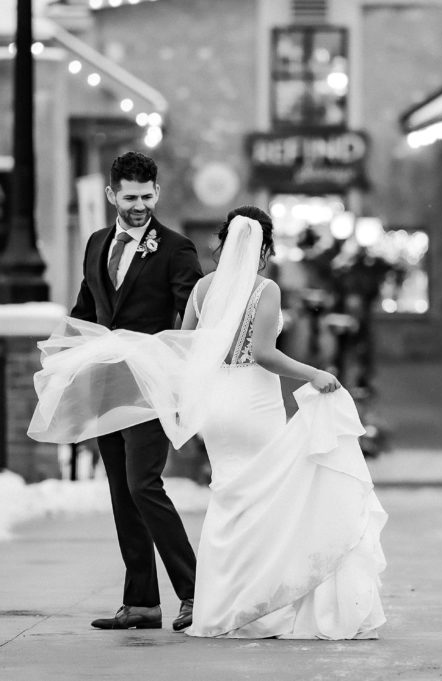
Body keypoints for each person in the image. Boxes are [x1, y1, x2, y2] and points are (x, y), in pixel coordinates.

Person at [29, 206, 386, 640]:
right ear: (264, 249)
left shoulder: (201, 289)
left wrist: (181, 403)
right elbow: (264, 353)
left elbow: (187, 349)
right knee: (268, 503)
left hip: (216, 408)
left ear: (223, 242)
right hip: (254, 405)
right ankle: (266, 604)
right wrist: (314, 373)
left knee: (228, 499)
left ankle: (220, 606)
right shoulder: (265, 290)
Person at [68, 151, 203, 632]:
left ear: (157, 194)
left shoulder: (176, 248)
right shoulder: (96, 243)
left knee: (145, 484)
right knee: (122, 492)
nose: (140, 205)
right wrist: (65, 356)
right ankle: (142, 602)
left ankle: (195, 592)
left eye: (147, 196)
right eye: (130, 197)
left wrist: (180, 374)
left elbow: (189, 317)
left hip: (152, 383)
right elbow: (88, 307)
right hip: (107, 382)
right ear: (112, 195)